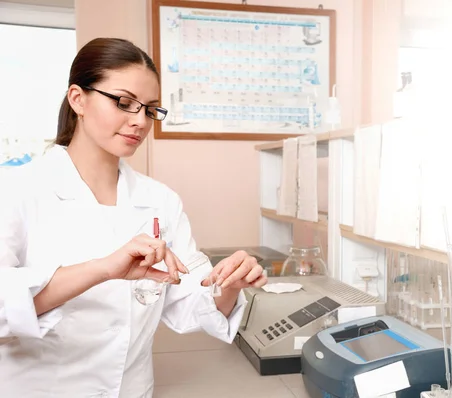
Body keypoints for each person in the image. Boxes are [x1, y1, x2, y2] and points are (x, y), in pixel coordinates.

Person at [0, 37, 267, 397]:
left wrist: (229, 284)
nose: (140, 121)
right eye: (124, 103)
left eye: (150, 109)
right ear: (78, 98)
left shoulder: (160, 200)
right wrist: (104, 269)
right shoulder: (17, 189)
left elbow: (190, 302)